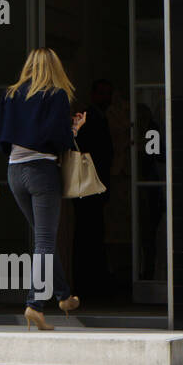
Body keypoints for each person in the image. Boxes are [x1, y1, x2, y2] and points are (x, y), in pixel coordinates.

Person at [0, 48, 85, 331]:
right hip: (42, 173)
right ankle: (34, 304)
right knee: (44, 242)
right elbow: (58, 138)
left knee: (44, 239)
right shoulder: (55, 94)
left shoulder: (11, 94)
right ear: (55, 67)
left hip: (14, 172)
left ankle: (64, 296)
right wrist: (75, 130)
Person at [72, 79, 116, 295]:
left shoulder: (100, 116)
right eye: (103, 94)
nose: (107, 98)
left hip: (95, 184)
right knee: (87, 232)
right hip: (88, 185)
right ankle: (88, 282)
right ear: (93, 95)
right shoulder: (88, 117)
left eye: (109, 94)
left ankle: (94, 280)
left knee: (94, 231)